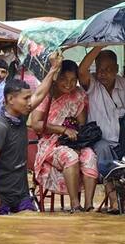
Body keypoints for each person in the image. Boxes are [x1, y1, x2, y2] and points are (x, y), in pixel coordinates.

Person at [0, 57, 62, 215]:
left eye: (29, 98)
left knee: (30, 224)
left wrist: (54, 69)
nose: (29, 102)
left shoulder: (22, 116)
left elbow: (40, 93)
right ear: (11, 99)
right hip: (0, 195)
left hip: (20, 194)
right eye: (25, 98)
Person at [30, 60, 99, 213]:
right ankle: (75, 205)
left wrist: (74, 134)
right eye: (64, 79)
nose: (69, 84)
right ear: (56, 78)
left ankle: (88, 205)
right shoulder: (46, 95)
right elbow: (35, 124)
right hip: (50, 145)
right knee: (70, 157)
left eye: (73, 80)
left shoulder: (79, 95)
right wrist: (61, 129)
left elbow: (80, 124)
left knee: (89, 156)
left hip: (72, 141)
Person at [78, 47, 125, 213]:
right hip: (100, 140)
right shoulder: (92, 84)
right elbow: (82, 70)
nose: (102, 74)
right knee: (103, 152)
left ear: (117, 69)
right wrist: (99, 45)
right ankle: (113, 201)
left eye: (108, 70)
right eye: (100, 69)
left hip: (123, 139)